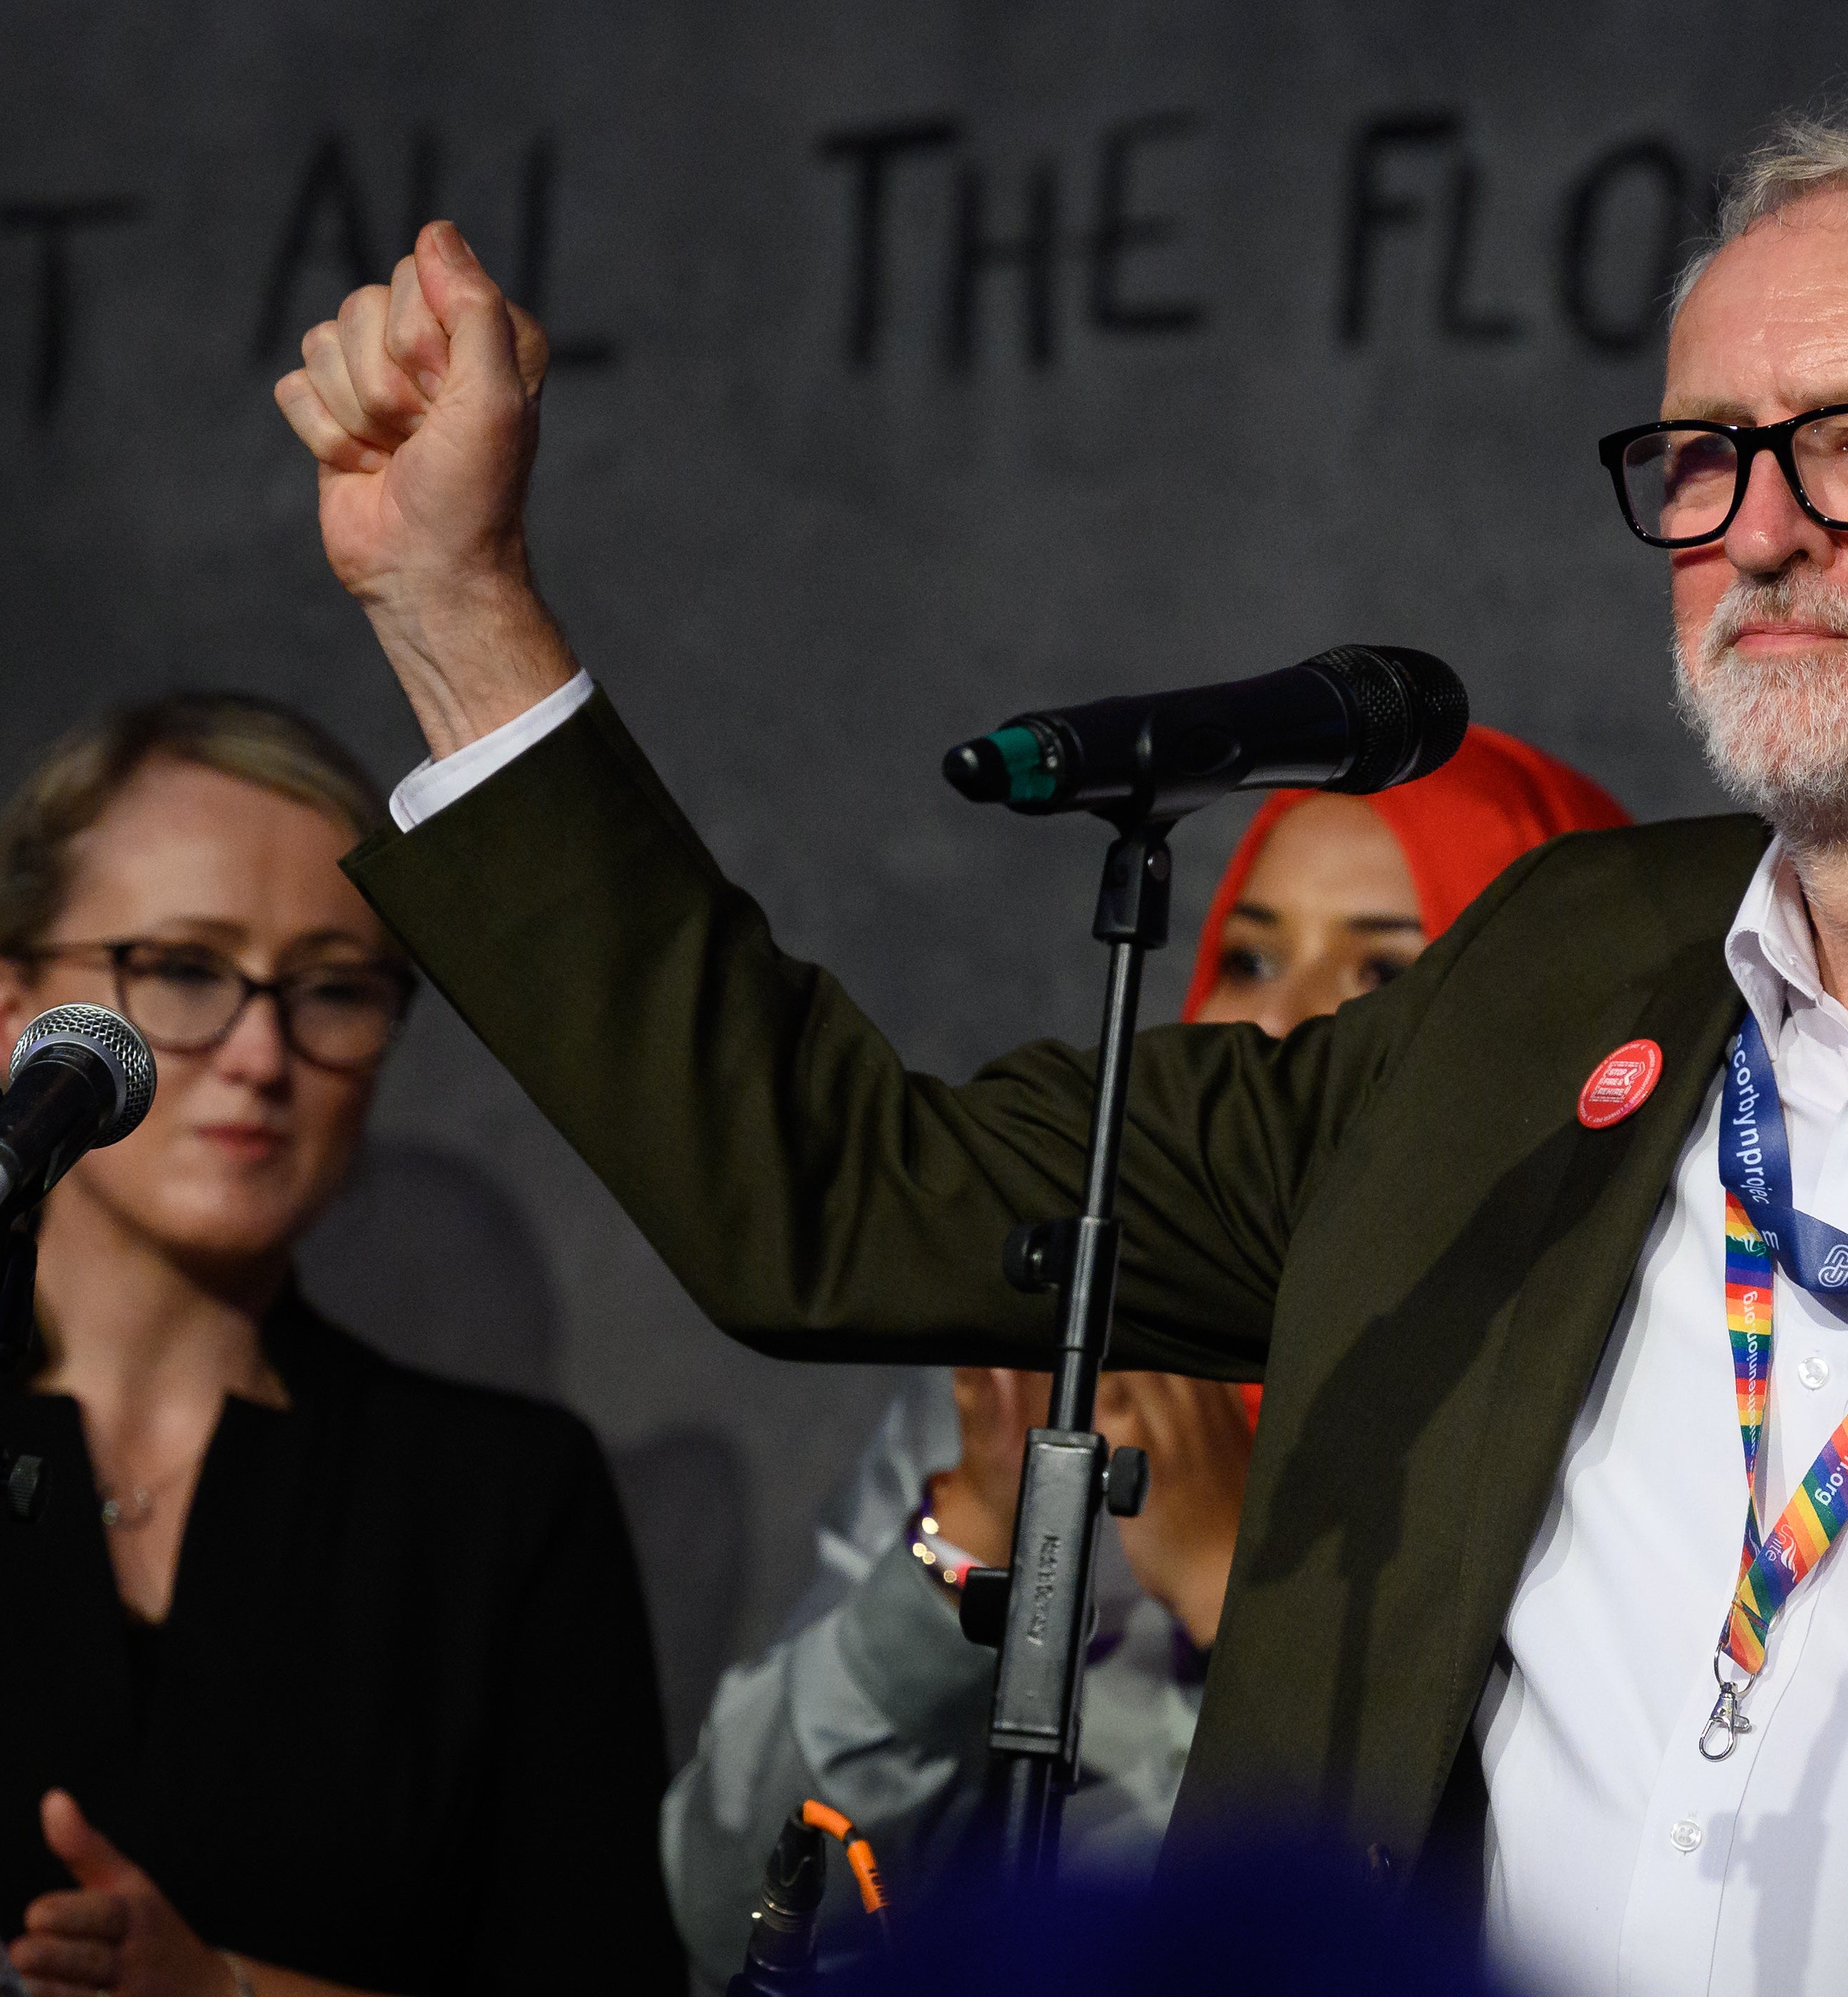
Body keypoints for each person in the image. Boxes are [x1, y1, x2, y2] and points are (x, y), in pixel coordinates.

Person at [273, 103, 1848, 1991]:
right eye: (1703, 456)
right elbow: (824, 1193)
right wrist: (455, 607)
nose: (1751, 533)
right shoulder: (1527, 999)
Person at [0, 694, 679, 1996]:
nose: (262, 1052)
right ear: (9, 1013)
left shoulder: (505, 1498)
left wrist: (227, 1993)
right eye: (182, 971)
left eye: (336, 989)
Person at [660, 735, 1628, 1966]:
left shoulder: (1600, 1424)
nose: (1275, 1015)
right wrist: (974, 1540)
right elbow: (716, 1901)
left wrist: (1236, 1582)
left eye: (1386, 966)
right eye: (1250, 952)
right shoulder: (1078, 1369)